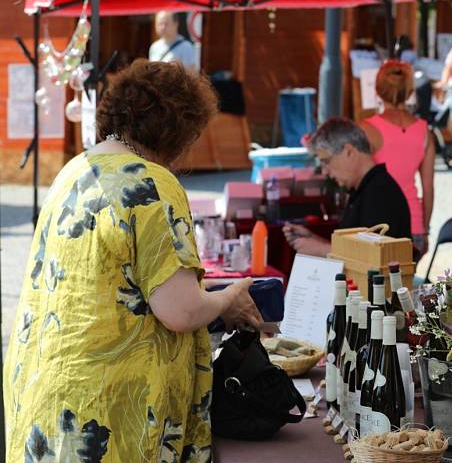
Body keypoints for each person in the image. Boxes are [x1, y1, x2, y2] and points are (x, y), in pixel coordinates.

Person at [3, 60, 262, 461]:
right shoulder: (152, 183)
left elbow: (118, 284)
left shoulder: (74, 170)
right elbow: (181, 310)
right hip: (106, 411)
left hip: (46, 389)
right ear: (179, 127)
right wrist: (229, 297)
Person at [283, 118, 411, 257]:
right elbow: (354, 248)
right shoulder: (364, 189)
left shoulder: (380, 193)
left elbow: (375, 257)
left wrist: (321, 249)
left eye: (326, 161)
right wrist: (314, 239)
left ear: (349, 151)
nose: (325, 171)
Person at [360, 60, 435, 256]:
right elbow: (428, 187)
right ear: (410, 92)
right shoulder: (424, 131)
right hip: (414, 224)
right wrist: (424, 229)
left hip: (378, 224)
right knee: (404, 285)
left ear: (377, 90)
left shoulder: (367, 129)